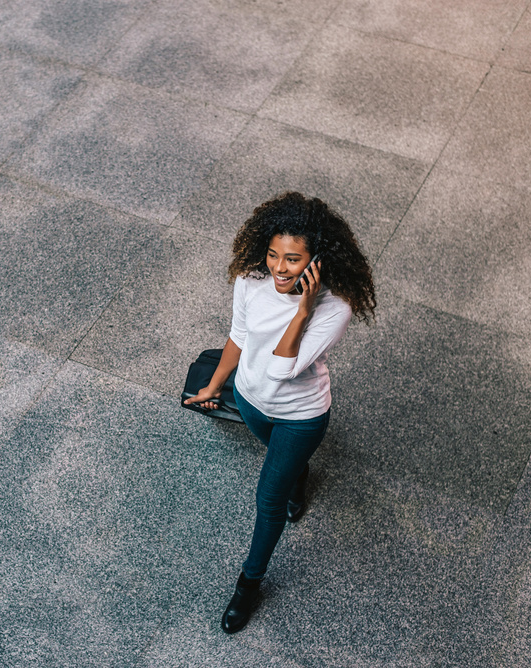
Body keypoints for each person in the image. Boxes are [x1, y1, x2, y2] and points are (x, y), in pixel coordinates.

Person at [184, 192, 376, 634]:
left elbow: (282, 368)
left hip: (299, 416)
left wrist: (302, 310)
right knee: (283, 466)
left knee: (269, 500)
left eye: (292, 260)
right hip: (252, 402)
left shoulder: (333, 308)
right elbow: (237, 336)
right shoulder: (250, 281)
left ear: (316, 262)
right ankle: (298, 474)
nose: (277, 268)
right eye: (273, 255)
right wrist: (213, 387)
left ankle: (248, 584)